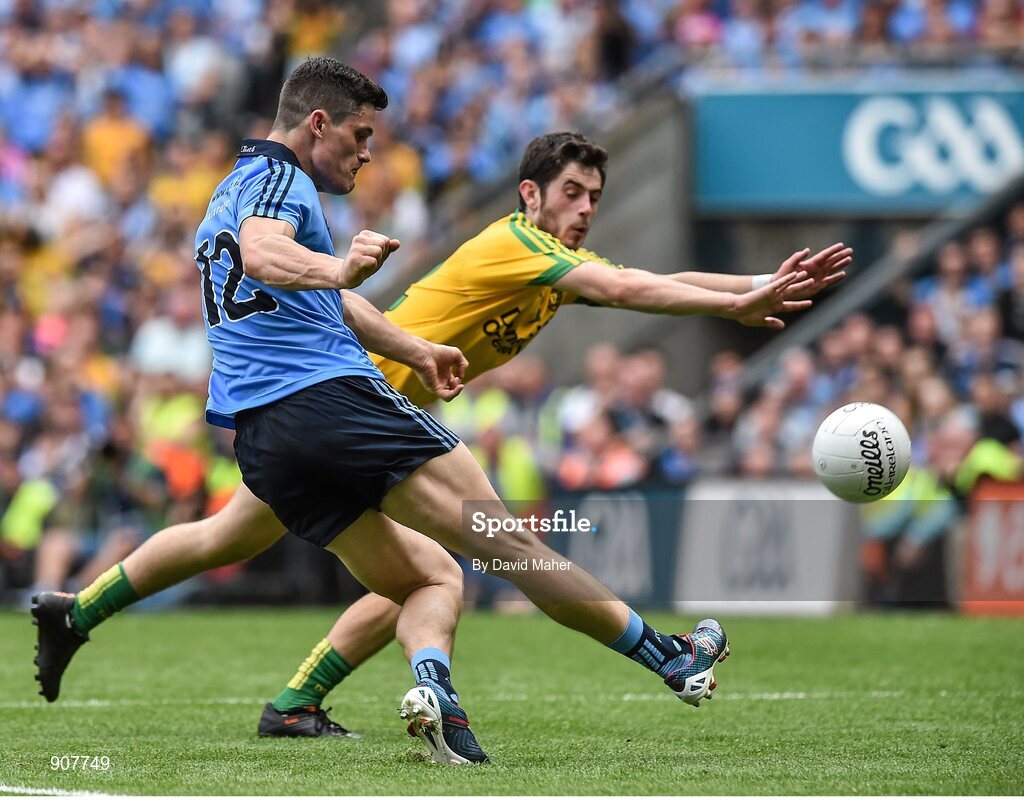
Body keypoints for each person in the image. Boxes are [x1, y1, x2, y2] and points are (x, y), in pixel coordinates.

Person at [33, 60, 850, 759]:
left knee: (294, 548)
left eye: (595, 194)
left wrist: (752, 289)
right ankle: (665, 657)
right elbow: (267, 255)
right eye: (358, 137)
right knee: (504, 549)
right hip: (350, 401)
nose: (366, 153)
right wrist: (337, 269)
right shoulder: (324, 195)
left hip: (275, 422)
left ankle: (151, 642)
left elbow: (633, 276)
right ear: (317, 124)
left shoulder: (235, 188)